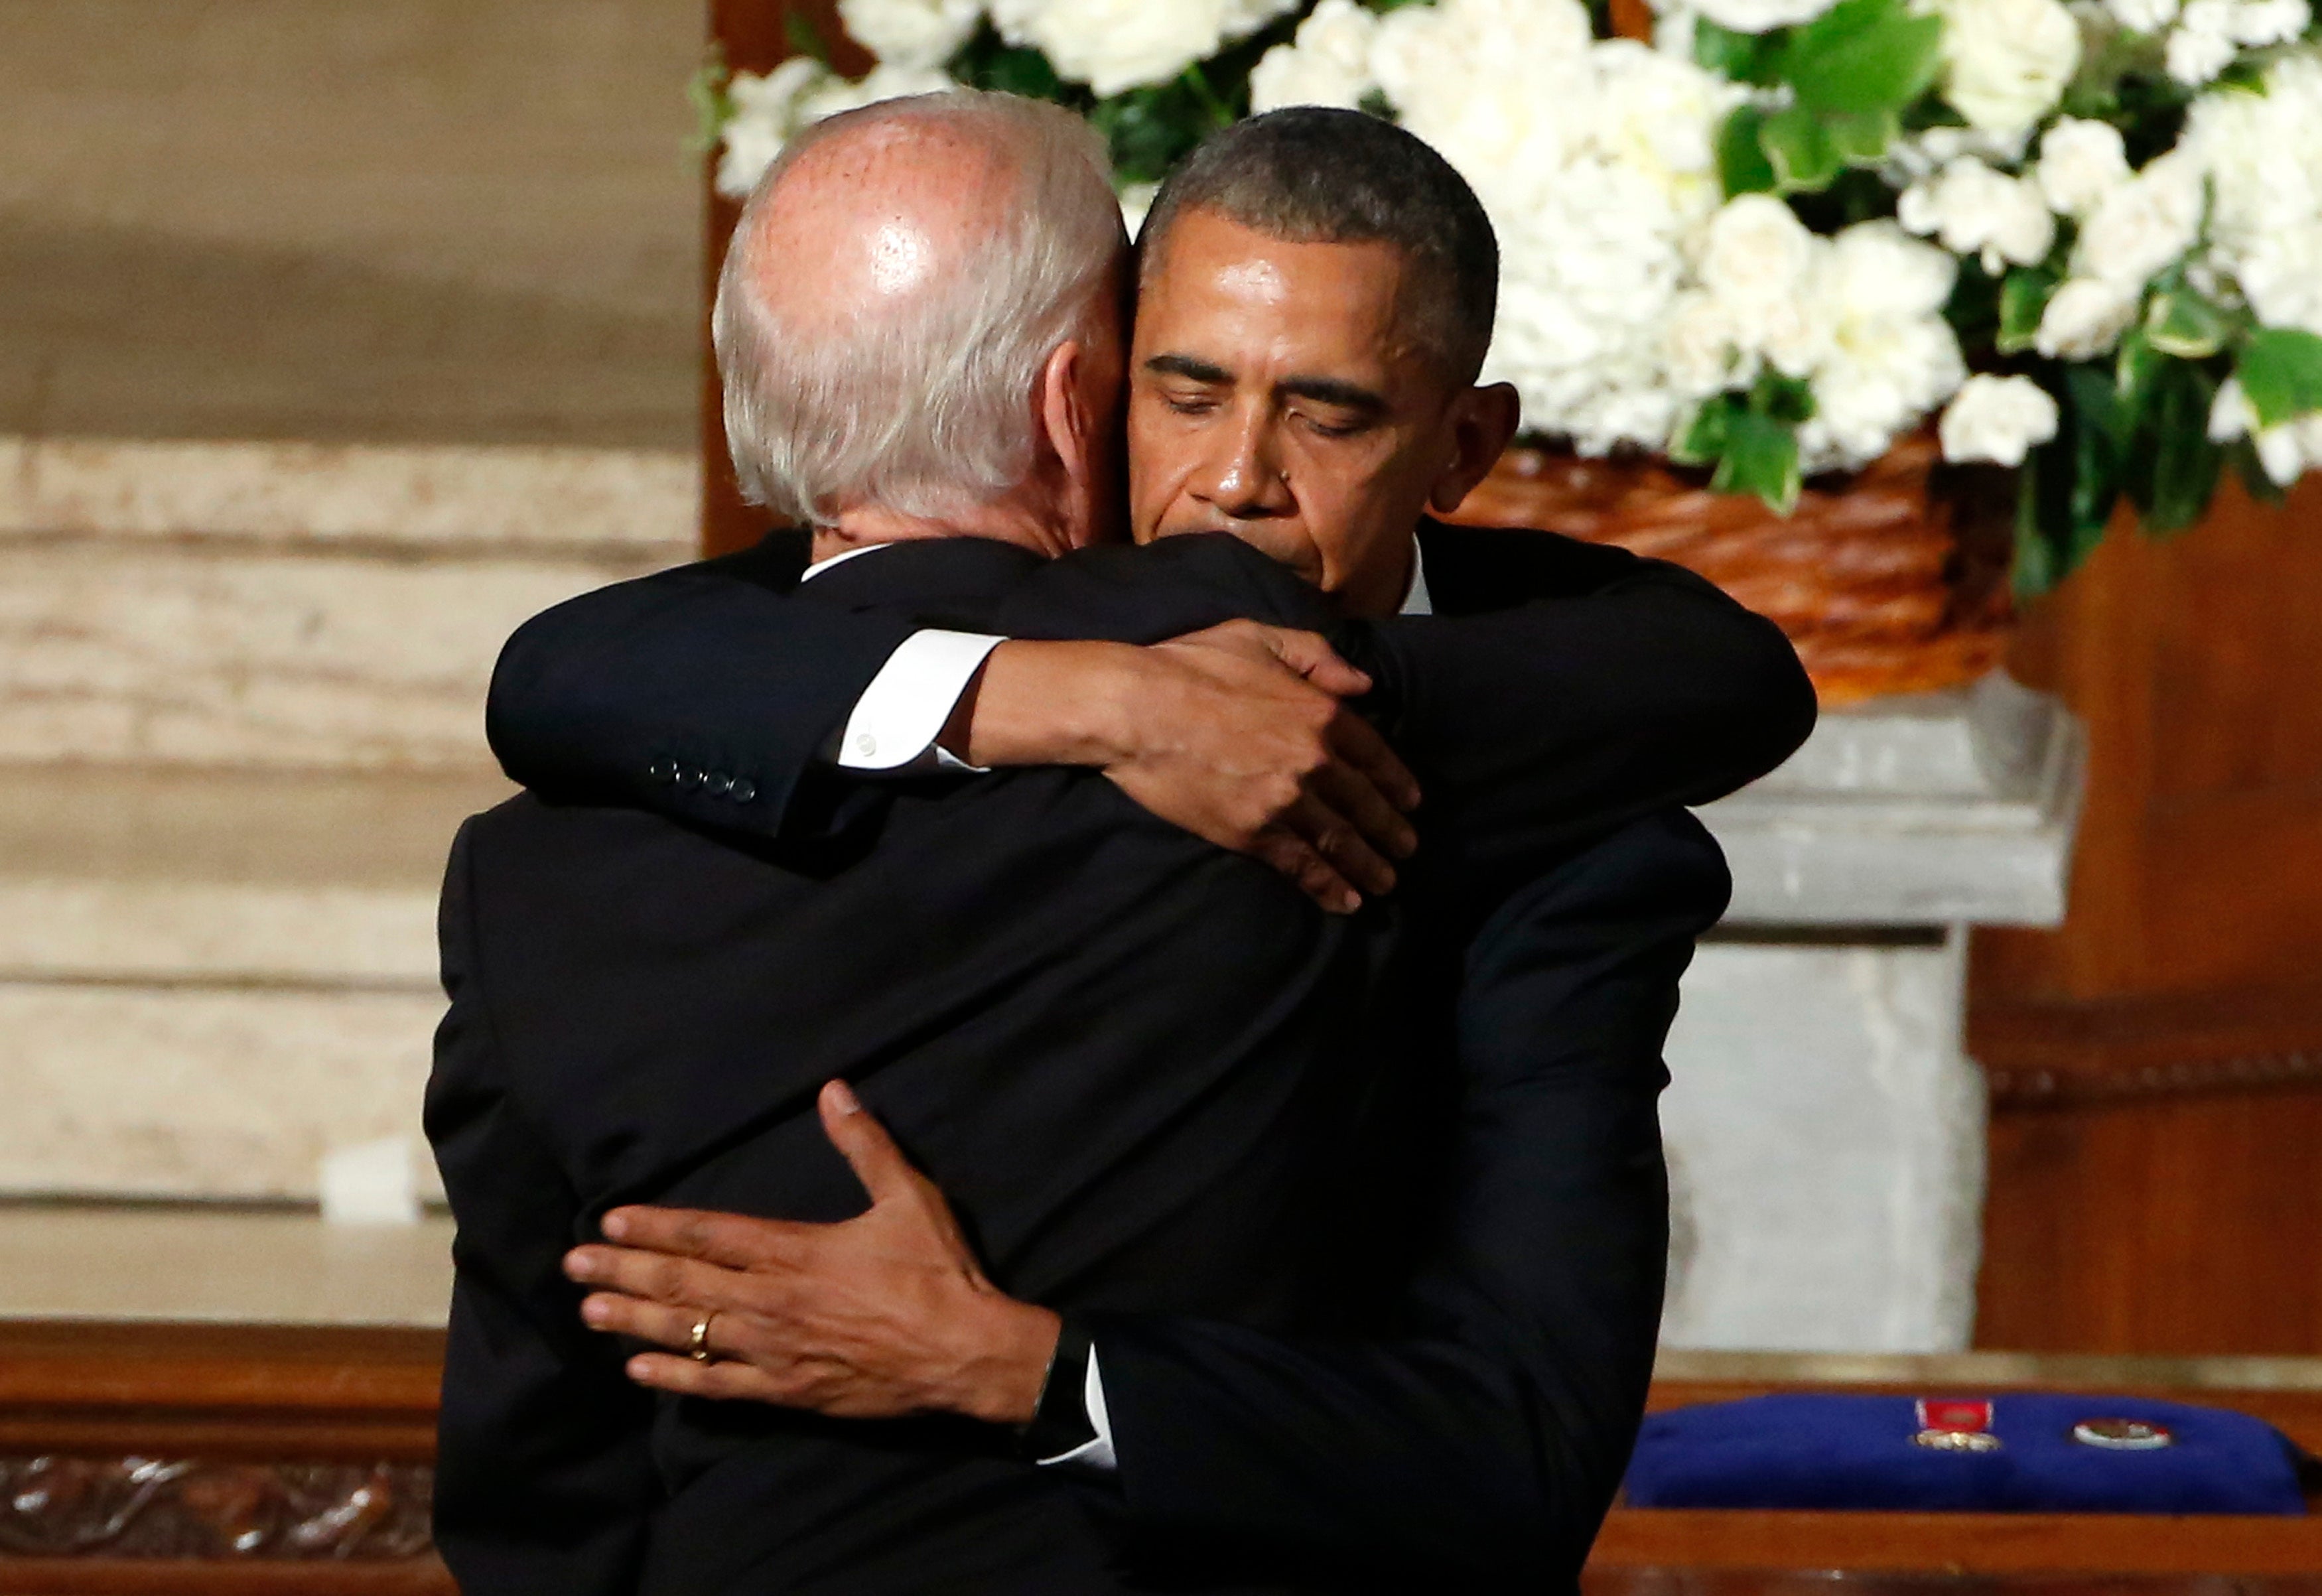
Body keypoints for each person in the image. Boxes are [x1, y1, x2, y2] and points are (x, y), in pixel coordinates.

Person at [431, 96, 1812, 1594]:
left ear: (1463, 442)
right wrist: (1065, 691)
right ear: (1082, 401)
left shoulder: (536, 863)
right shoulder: (675, 717)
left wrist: (1022, 1371)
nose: (1236, 481)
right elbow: (569, 665)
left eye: (1329, 413)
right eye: (1185, 391)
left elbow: (533, 1517)